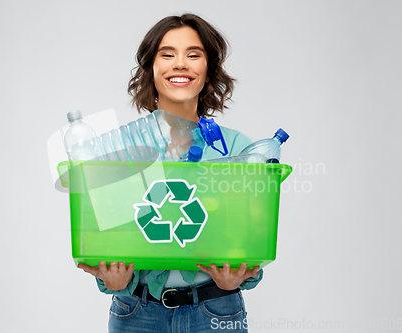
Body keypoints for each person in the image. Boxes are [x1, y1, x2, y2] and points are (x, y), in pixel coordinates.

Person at [78, 13, 263, 332]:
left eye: (194, 54)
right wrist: (112, 279)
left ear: (209, 69)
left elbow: (252, 240)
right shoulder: (121, 149)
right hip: (137, 313)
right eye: (167, 54)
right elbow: (109, 236)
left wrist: (243, 273)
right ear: (151, 68)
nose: (180, 63)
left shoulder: (237, 150)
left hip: (215, 311)